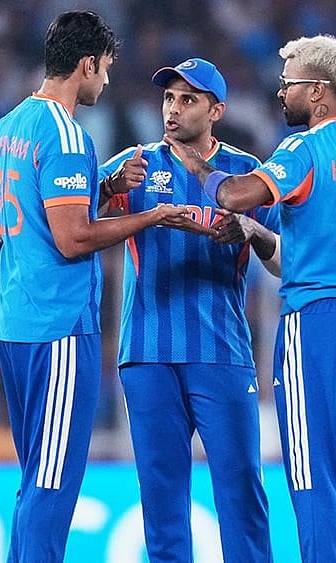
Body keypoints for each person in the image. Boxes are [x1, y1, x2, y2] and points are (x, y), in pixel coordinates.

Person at [164, 35, 336, 563]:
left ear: (318, 92)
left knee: (316, 475)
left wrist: (199, 165)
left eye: (288, 85)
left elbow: (235, 194)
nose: (280, 93)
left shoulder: (304, 149)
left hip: (318, 321)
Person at [0, 11, 203, 562]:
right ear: (86, 65)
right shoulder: (68, 134)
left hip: (14, 324)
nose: (107, 81)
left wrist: (21, 230)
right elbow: (73, 239)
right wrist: (152, 216)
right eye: (106, 69)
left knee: (35, 478)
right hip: (59, 329)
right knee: (53, 484)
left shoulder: (17, 121)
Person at [97, 57, 279, 563]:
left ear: (216, 109)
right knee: (162, 503)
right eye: (168, 98)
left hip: (221, 351)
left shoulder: (248, 175)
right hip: (148, 353)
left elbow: (287, 261)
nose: (173, 109)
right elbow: (74, 228)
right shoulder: (133, 165)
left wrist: (256, 231)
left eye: (188, 99)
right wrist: (109, 188)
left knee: (242, 493)